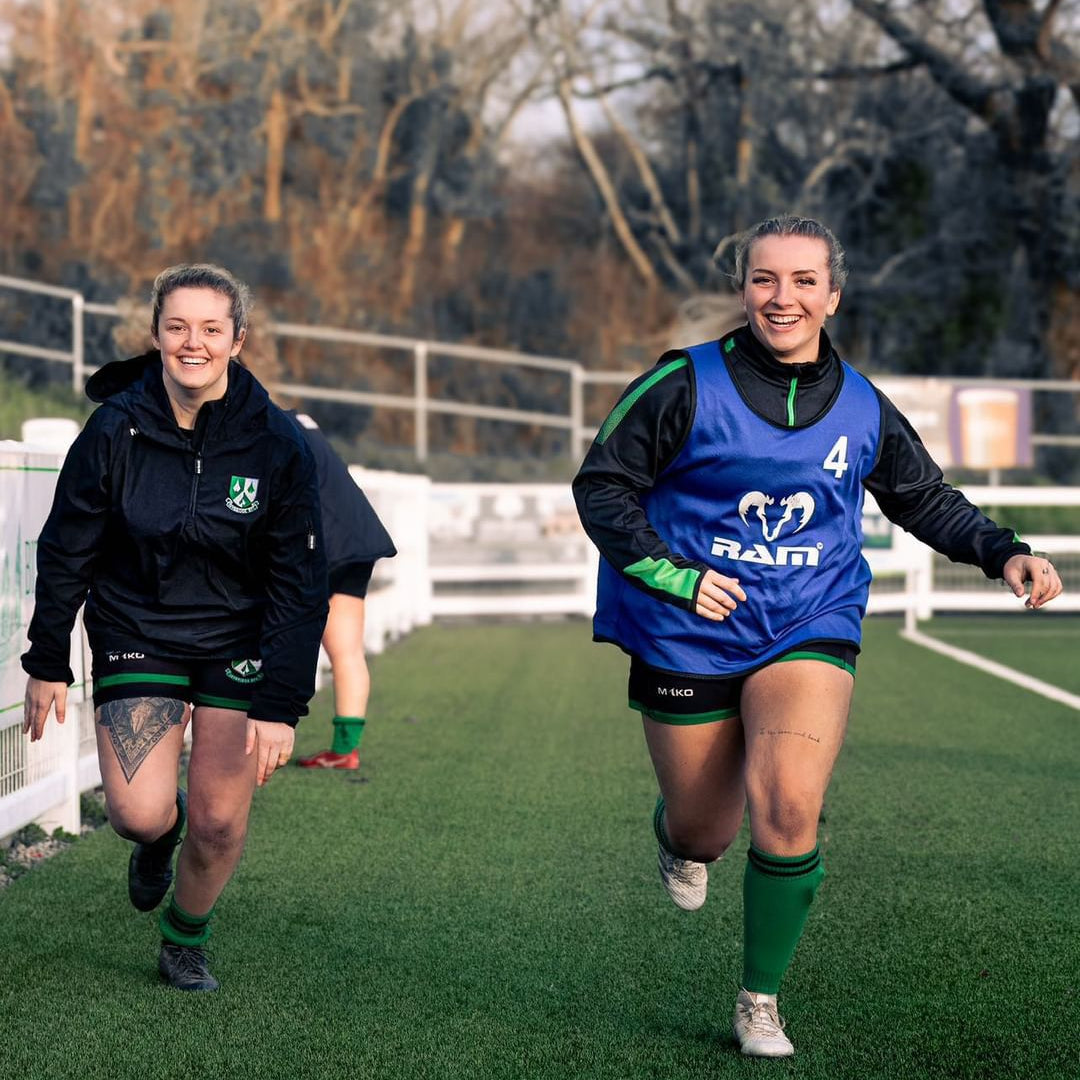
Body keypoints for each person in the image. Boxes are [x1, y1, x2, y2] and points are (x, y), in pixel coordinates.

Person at [572, 215, 1063, 1058]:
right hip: (689, 628)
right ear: (743, 290)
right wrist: (675, 576)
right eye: (765, 278)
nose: (783, 297)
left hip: (809, 617)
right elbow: (602, 485)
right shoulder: (683, 382)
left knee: (791, 806)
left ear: (833, 296)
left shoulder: (864, 405)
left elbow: (922, 497)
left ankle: (759, 1000)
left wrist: (1003, 551)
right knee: (704, 830)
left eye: (804, 281)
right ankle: (679, 837)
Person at [21, 264, 328, 992]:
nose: (194, 343)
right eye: (178, 327)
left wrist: (280, 703)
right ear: (157, 334)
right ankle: (161, 836)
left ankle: (185, 939)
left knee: (219, 823)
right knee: (136, 814)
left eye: (211, 329)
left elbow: (299, 581)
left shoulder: (277, 443)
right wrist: (48, 658)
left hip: (238, 641)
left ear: (237, 340)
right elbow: (67, 546)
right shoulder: (115, 427)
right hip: (139, 626)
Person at [290, 412, 397, 770]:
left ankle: (254, 740)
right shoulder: (301, 419)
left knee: (272, 640)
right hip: (359, 536)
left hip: (320, 542)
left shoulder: (261, 424)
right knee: (347, 651)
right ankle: (344, 750)